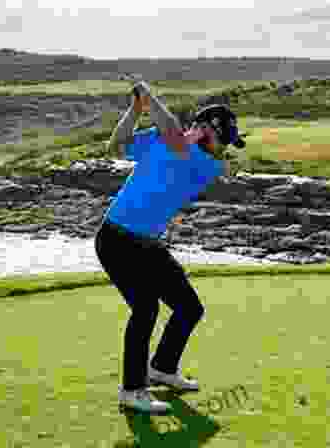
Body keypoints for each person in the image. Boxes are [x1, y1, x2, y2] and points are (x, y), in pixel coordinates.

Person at [94, 80, 246, 415]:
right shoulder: (165, 140)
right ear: (207, 130)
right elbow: (116, 147)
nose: (227, 149)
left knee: (189, 308)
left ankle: (162, 367)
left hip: (148, 245)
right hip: (116, 239)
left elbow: (177, 138)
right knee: (146, 309)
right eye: (225, 139)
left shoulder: (209, 165)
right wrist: (135, 111)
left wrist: (150, 99)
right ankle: (132, 390)